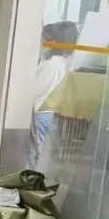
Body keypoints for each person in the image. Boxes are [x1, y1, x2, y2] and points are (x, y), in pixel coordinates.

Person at [27, 21, 80, 170]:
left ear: (55, 42)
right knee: (34, 155)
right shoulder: (59, 63)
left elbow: (33, 91)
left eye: (44, 39)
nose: (41, 43)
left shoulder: (52, 65)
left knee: (31, 156)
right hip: (44, 113)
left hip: (39, 114)